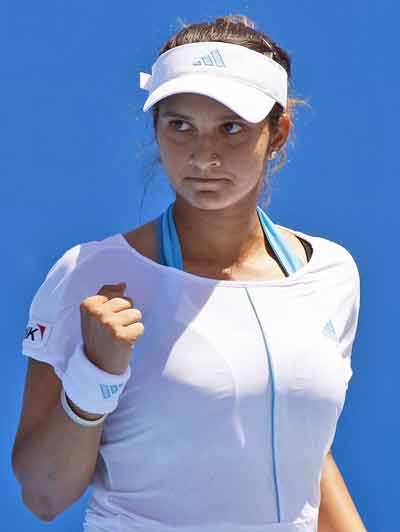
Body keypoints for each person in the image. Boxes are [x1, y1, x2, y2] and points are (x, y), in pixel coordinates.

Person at [12, 14, 366, 532]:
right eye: (181, 126)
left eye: (231, 128)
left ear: (278, 132)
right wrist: (94, 377)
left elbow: (308, 458)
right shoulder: (88, 274)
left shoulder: (334, 275)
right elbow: (42, 496)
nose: (204, 155)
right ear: (155, 129)